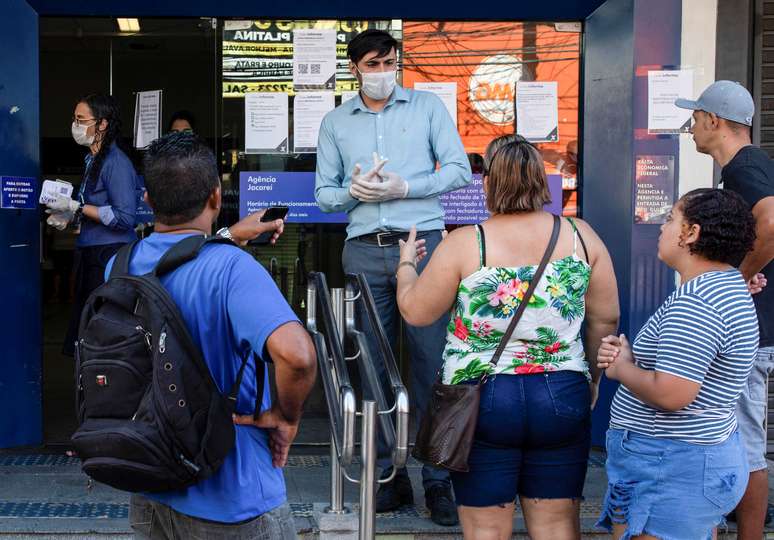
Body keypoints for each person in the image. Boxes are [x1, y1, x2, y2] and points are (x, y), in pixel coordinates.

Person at [396, 139, 620, 539]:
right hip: (562, 392)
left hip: (483, 400)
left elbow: (416, 310)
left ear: (488, 185)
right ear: (540, 180)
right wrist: (592, 380)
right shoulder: (579, 236)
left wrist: (406, 266)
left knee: (486, 530)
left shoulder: (466, 242)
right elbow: (606, 318)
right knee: (555, 527)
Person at [107, 131, 317, 540]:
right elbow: (298, 356)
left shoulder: (120, 266)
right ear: (216, 198)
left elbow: (176, 262)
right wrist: (286, 416)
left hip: (151, 483)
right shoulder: (233, 270)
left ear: (147, 200)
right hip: (233, 497)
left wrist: (229, 237)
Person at [314, 29, 472, 525]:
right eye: (374, 64)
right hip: (364, 249)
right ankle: (389, 476)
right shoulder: (335, 121)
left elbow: (460, 169)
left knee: (431, 361)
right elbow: (324, 194)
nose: (384, 72)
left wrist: (409, 186)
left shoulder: (426, 107)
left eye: (390, 62)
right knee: (372, 366)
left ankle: (437, 478)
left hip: (423, 247)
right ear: (355, 68)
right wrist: (353, 193)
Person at [596, 188, 758, 540]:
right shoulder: (727, 285)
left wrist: (621, 367)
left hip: (669, 466)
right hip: (688, 460)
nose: (662, 227)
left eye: (671, 219)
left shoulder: (698, 303)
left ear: (691, 233)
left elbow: (672, 393)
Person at [676, 81, 774, 538]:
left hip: (750, 334)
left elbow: (772, 221)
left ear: (714, 120)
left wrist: (733, 280)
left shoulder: (744, 167)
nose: (691, 127)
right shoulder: (741, 168)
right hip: (746, 331)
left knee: (745, 446)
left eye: (695, 118)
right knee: (730, 440)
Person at [44, 94, 140, 356]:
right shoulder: (92, 160)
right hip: (89, 251)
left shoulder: (115, 162)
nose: (75, 125)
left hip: (109, 255)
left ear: (102, 124)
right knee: (85, 331)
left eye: (81, 119)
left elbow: (124, 217)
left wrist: (77, 207)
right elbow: (93, 208)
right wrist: (69, 215)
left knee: (101, 331)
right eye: (74, 119)